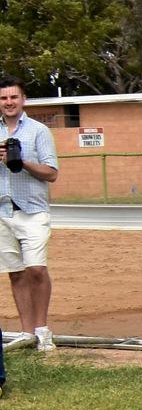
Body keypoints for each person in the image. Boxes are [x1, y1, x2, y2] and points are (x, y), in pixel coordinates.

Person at [0, 77, 58, 352]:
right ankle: (26, 333)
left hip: (33, 210)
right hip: (3, 211)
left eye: (13, 97)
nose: (9, 103)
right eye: (3, 98)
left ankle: (42, 330)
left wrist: (20, 161)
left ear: (23, 100)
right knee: (16, 273)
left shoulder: (38, 131)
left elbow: (52, 173)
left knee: (36, 268)